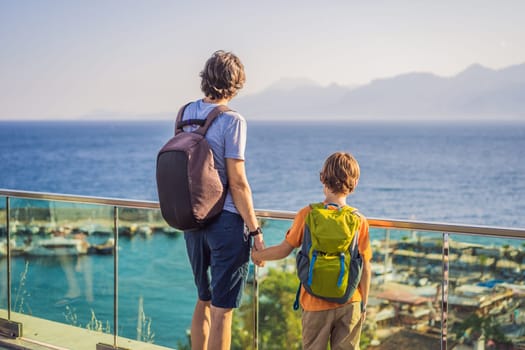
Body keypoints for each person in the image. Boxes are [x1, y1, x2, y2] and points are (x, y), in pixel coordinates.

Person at [180, 50, 265, 350]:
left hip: (192, 219)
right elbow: (238, 183)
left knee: (202, 299)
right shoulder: (233, 120)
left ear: (206, 77)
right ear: (236, 83)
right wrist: (255, 231)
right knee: (222, 311)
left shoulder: (185, 113)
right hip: (226, 222)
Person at [252, 152, 372, 350]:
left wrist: (257, 255)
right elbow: (365, 267)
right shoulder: (360, 220)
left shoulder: (307, 214)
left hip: (314, 302)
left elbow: (284, 250)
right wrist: (364, 303)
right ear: (355, 183)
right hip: (350, 301)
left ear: (322, 178)